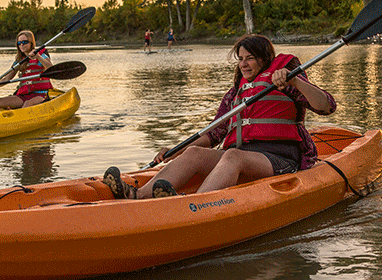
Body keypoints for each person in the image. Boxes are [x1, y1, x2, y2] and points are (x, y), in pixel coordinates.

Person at [102, 34, 336, 200]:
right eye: (240, 59)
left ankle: (193, 205)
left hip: (280, 158)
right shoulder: (235, 94)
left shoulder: (284, 80)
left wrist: (295, 80)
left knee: (233, 156)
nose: (243, 64)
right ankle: (138, 196)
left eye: (249, 58)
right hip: (241, 157)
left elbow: (327, 106)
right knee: (194, 152)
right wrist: (175, 151)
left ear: (264, 58)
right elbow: (213, 134)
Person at [0, 30, 53, 113]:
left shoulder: (41, 55)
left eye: (25, 42)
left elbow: (50, 68)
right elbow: (7, 78)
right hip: (23, 95)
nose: (22, 45)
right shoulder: (19, 60)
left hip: (40, 94)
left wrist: (38, 56)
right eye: (19, 43)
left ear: (31, 43)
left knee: (27, 104)